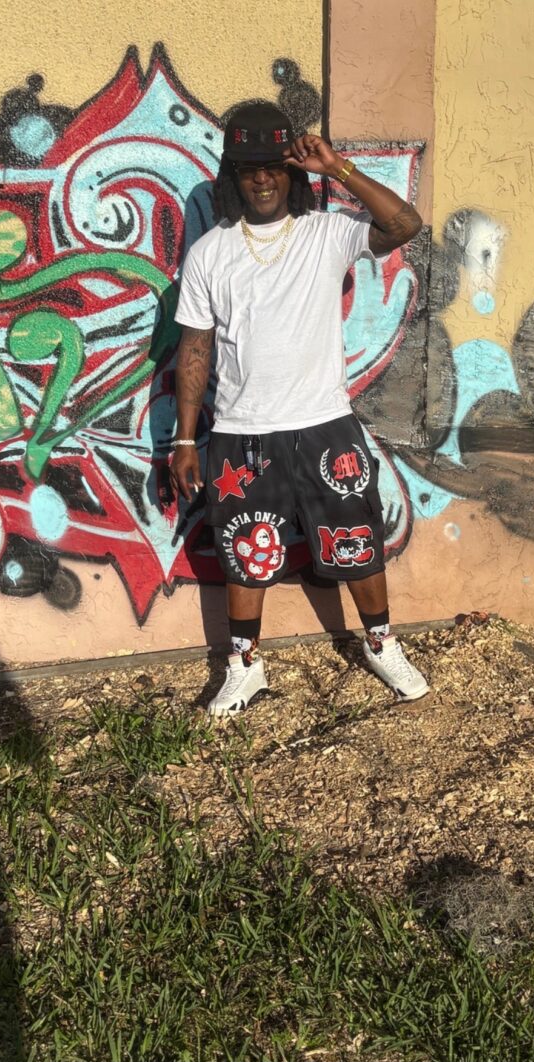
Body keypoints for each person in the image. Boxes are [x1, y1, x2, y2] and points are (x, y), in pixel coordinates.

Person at [170, 102, 429, 715]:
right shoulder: (209, 253)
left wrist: (338, 168)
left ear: (291, 173)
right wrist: (184, 439)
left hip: (324, 426)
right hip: (242, 432)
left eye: (274, 167)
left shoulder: (326, 233)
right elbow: (195, 349)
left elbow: (404, 224)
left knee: (355, 539)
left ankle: (381, 644)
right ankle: (244, 667)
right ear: (233, 176)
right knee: (246, 550)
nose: (262, 179)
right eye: (250, 169)